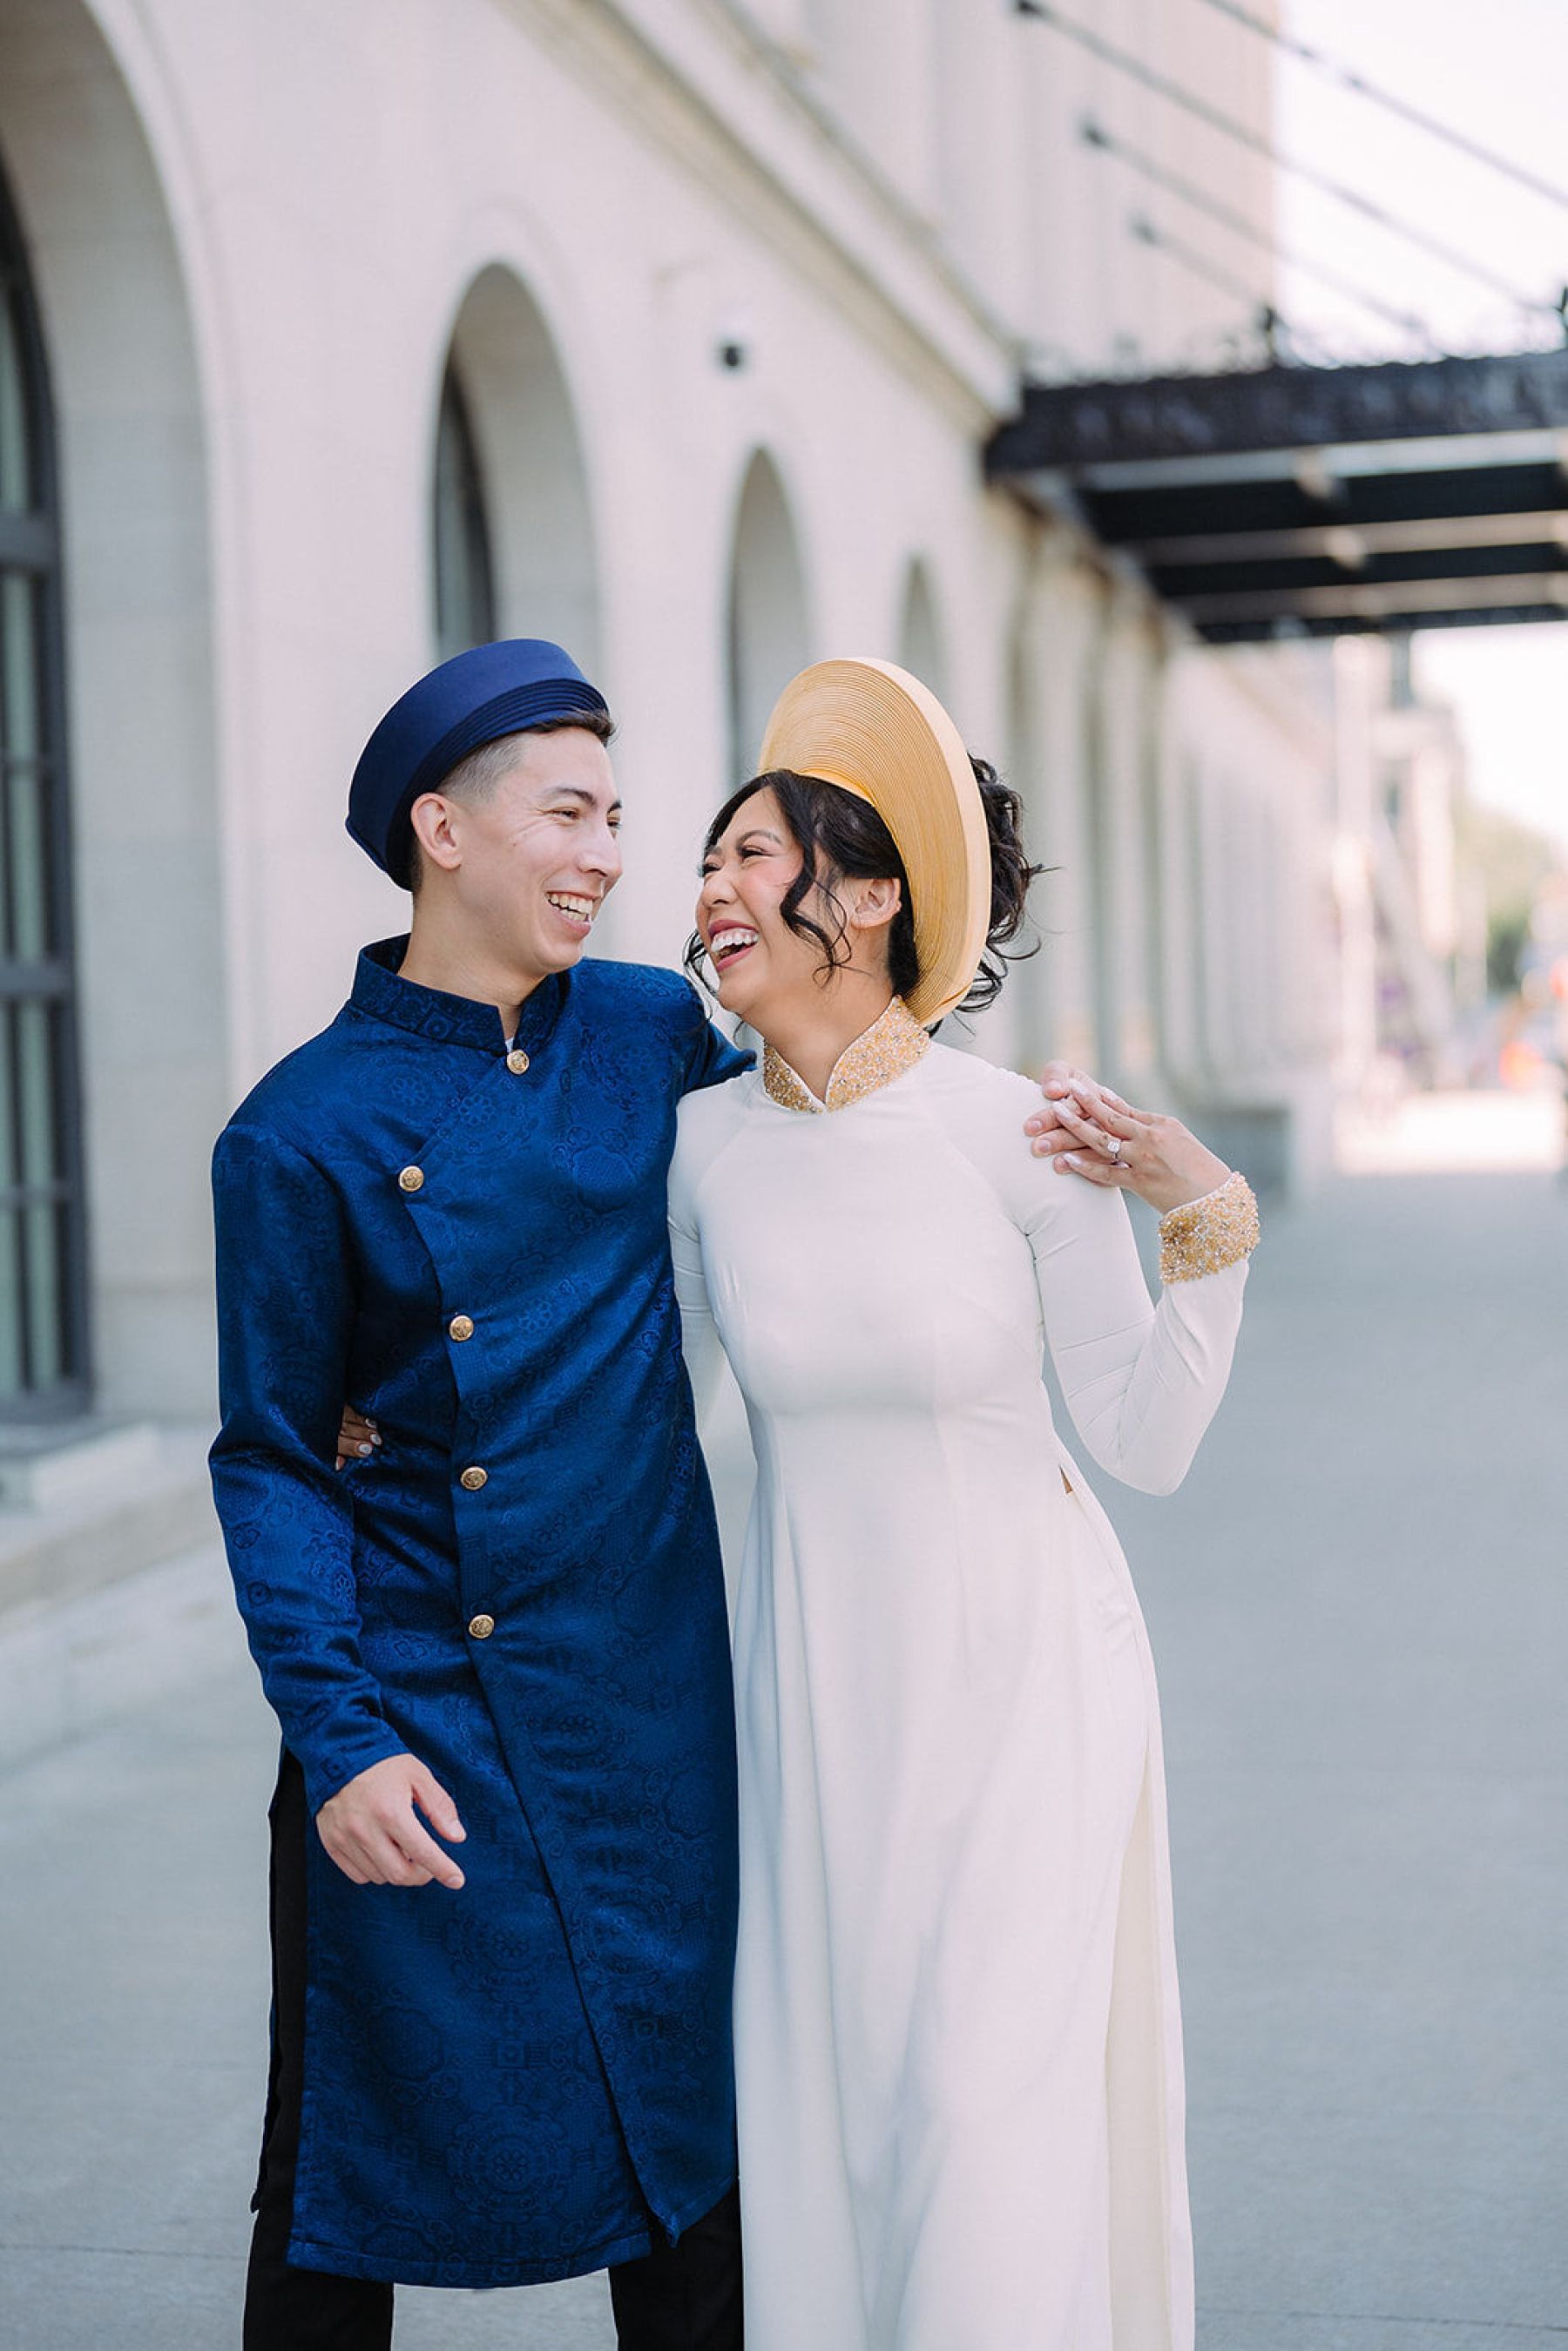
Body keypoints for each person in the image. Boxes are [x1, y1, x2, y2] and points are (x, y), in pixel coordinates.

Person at [666, 659, 1260, 2351]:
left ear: (866, 900)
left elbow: (1143, 1435)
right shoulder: (703, 1152)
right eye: (705, 861)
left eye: (751, 855)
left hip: (1028, 1701)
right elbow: (670, 1412)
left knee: (984, 2142)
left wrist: (1200, 1213)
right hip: (821, 1714)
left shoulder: (1017, 1137)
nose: (709, 891)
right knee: (840, 2143)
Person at [208, 639, 752, 2350]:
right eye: (570, 816)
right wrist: (344, 1740)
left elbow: (822, 1172)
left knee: (686, 2143)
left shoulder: (658, 1030)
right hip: (422, 1693)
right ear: (445, 830)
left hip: (649, 1694)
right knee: (345, 2162)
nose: (608, 856)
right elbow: (275, 1462)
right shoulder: (296, 1131)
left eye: (620, 821)